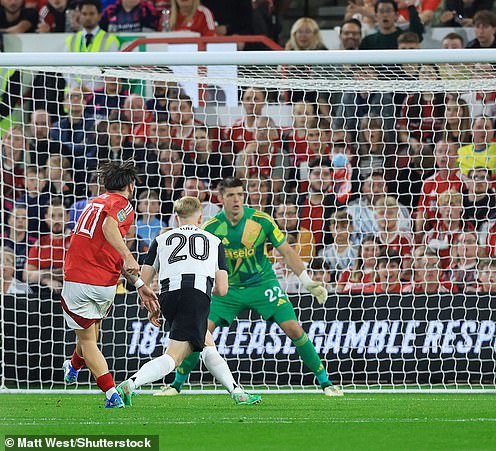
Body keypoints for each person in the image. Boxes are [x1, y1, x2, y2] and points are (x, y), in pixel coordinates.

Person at [158, 178, 343, 397]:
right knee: (199, 331)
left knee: (294, 328)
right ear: (221, 198)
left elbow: (286, 251)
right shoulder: (211, 227)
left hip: (262, 283)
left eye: (239, 194)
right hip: (228, 289)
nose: (236, 199)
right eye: (230, 195)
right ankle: (176, 385)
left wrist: (306, 280)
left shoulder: (262, 221)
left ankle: (326, 383)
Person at [116, 196, 260, 406]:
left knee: (206, 342)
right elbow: (222, 289)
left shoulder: (160, 239)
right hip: (196, 296)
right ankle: (132, 383)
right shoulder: (214, 241)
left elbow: (142, 281)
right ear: (200, 218)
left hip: (168, 298)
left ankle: (237, 392)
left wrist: (149, 302)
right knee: (173, 357)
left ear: (176, 218)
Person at [60, 160, 158, 409]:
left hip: (79, 278)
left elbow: (107, 229)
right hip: (104, 284)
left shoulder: (93, 204)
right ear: (131, 186)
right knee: (91, 334)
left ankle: (111, 394)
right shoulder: (123, 204)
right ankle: (73, 366)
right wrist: (130, 258)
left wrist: (135, 279)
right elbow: (111, 230)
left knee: (88, 340)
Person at [359, 0, 424, 50]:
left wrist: (411, 7)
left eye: (388, 11)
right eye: (381, 11)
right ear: (376, 16)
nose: (385, 15)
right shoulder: (368, 41)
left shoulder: (405, 38)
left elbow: (417, 29)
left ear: (396, 15)